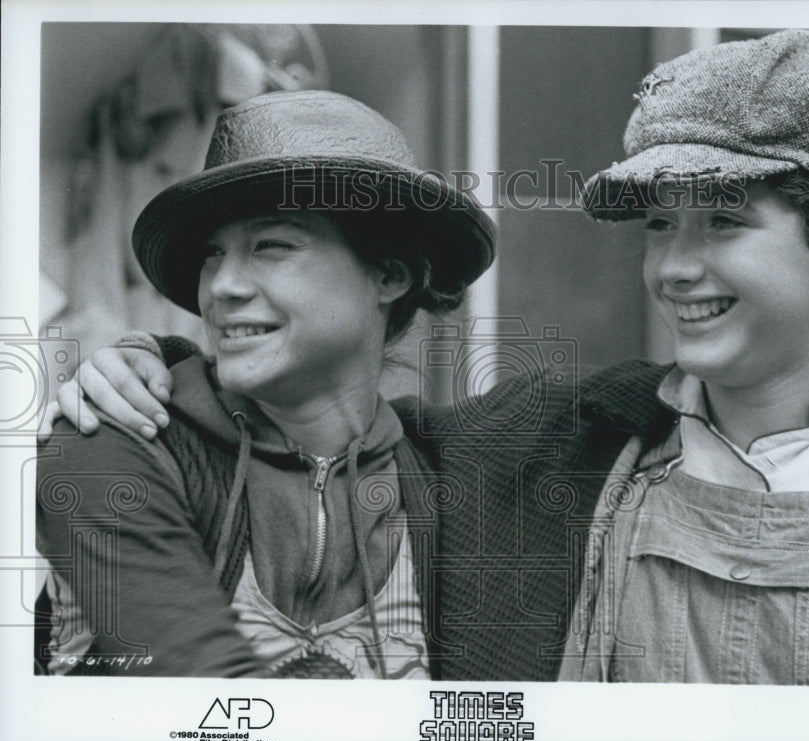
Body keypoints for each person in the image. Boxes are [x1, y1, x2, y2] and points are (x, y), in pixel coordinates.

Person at [44, 31, 809, 685]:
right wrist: (149, 360)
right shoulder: (561, 448)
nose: (675, 267)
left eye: (723, 221)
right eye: (657, 225)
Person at [35, 90, 495, 677]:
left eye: (270, 245)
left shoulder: (445, 477)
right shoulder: (109, 441)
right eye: (211, 254)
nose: (221, 286)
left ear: (390, 273)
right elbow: (214, 711)